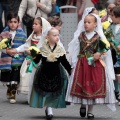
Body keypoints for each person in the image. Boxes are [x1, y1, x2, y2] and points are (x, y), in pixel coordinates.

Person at [66, 13, 116, 119]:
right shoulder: (80, 36)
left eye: (89, 22)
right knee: (83, 85)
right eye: (85, 22)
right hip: (82, 64)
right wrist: (73, 64)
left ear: (95, 24)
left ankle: (90, 111)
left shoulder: (99, 37)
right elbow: (76, 50)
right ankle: (83, 105)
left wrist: (100, 54)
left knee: (93, 86)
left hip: (94, 65)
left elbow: (105, 50)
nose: (86, 24)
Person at [29, 27, 71, 120]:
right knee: (45, 90)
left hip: (56, 72)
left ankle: (50, 107)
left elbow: (64, 61)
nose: (57, 37)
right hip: (44, 72)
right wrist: (32, 60)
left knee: (54, 91)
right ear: (48, 37)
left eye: (58, 35)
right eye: (54, 35)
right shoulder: (43, 48)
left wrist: (70, 70)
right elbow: (37, 59)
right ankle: (48, 108)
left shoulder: (60, 49)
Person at [0, 12, 27, 104]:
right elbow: (1, 46)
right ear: (7, 22)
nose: (13, 24)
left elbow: (24, 46)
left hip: (17, 59)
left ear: (18, 23)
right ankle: (9, 88)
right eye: (11, 22)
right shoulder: (4, 33)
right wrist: (7, 51)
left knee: (15, 77)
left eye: (15, 22)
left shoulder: (22, 35)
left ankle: (13, 93)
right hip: (6, 59)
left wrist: (16, 51)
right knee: (8, 77)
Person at [110, 6, 120, 105]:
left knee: (119, 74)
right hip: (113, 53)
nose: (111, 17)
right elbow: (107, 35)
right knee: (114, 73)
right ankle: (115, 92)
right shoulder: (111, 25)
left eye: (113, 15)